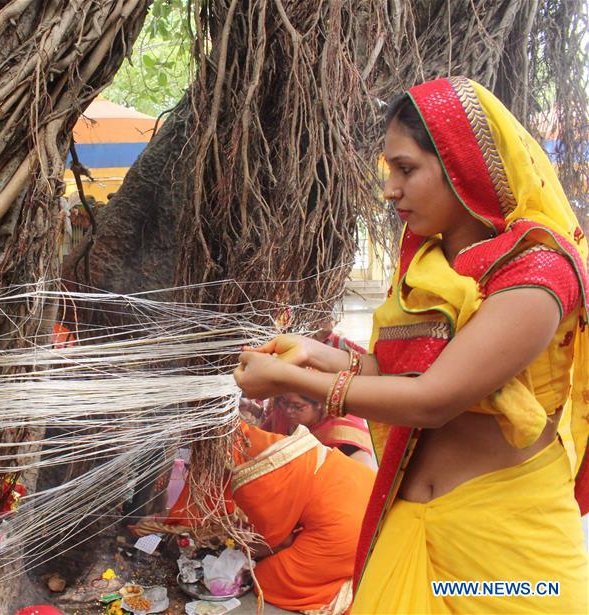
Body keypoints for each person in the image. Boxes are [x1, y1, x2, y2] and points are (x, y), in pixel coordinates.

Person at [233, 76, 589, 613]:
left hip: (504, 545)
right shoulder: (426, 265)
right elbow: (396, 372)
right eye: (389, 170)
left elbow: (432, 398)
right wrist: (313, 353)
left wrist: (291, 378)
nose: (390, 189)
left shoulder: (537, 271)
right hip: (408, 521)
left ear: (462, 166)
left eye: (406, 169)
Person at [166, 420, 375, 614]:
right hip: (370, 502)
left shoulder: (254, 478)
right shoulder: (263, 444)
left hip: (347, 531)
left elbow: (282, 540)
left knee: (265, 578)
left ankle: (335, 584)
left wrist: (243, 551)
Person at [264, 392, 374, 466]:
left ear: (320, 403)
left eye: (297, 406)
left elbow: (362, 474)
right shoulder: (282, 412)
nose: (288, 411)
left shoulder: (342, 432)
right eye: (284, 403)